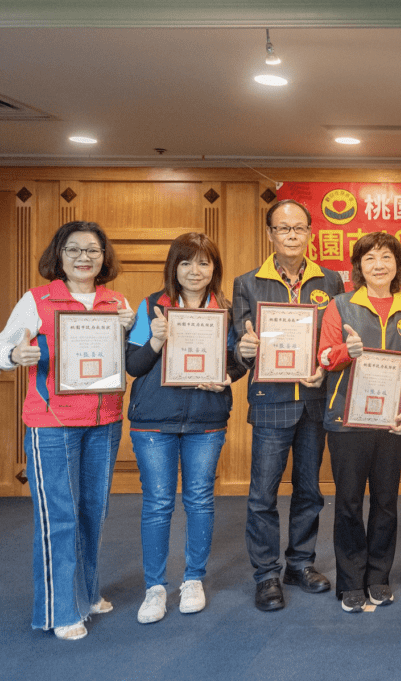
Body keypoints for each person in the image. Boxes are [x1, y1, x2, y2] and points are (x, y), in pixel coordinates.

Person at [0, 221, 133, 640]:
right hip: (52, 424)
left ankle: (87, 592)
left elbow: (134, 357)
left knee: (93, 512)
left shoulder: (117, 302)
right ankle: (60, 609)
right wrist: (14, 354)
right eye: (74, 250)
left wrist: (135, 329)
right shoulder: (37, 300)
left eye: (92, 251)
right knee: (58, 517)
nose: (83, 258)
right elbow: (4, 348)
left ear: (103, 257)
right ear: (59, 256)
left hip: (105, 422)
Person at [126, 233, 247, 624]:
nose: (195, 271)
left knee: (199, 499)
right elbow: (134, 365)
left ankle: (193, 578)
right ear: (173, 267)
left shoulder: (226, 310)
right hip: (153, 421)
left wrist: (228, 377)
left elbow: (240, 360)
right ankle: (155, 588)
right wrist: (156, 342)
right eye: (186, 262)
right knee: (158, 504)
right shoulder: (151, 306)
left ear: (214, 268)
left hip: (207, 419)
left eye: (204, 263)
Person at [233, 199, 344, 611]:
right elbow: (237, 342)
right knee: (263, 493)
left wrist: (326, 366)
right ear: (270, 235)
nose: (292, 235)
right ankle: (266, 575)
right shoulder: (248, 283)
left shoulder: (331, 281)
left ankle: (300, 563)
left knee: (310, 490)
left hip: (315, 400)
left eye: (299, 228)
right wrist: (243, 348)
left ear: (310, 233)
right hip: (270, 400)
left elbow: (335, 341)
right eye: (283, 229)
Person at [317, 231, 401, 613]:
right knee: (348, 502)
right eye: (369, 259)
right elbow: (326, 358)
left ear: (398, 264)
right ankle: (350, 580)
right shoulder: (341, 305)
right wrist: (348, 351)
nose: (378, 265)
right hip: (347, 421)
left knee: (386, 501)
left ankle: (378, 576)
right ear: (358, 267)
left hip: (391, 422)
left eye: (385, 257)